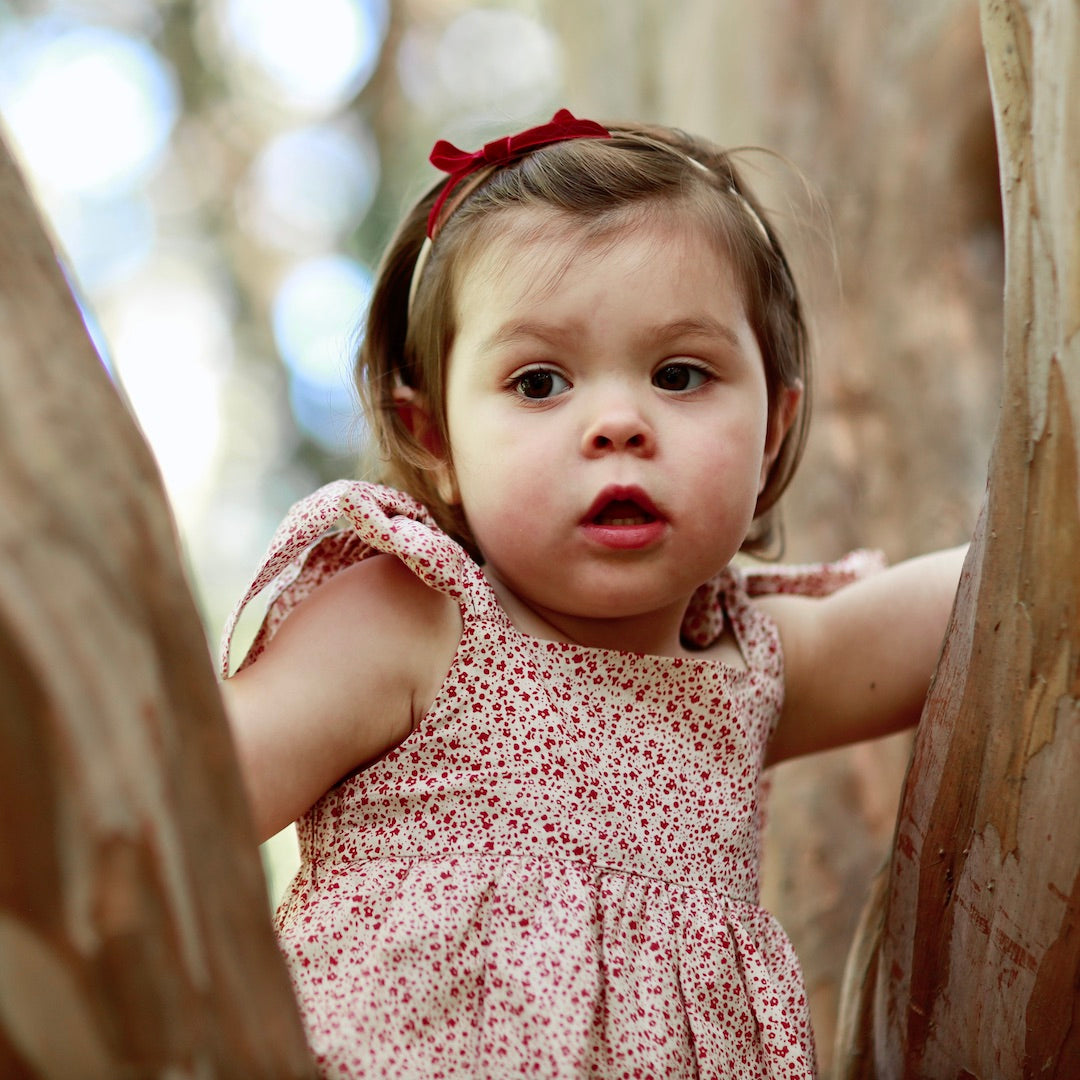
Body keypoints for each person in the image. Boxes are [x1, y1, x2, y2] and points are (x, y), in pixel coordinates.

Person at [220, 109, 966, 1079]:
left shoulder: (745, 666)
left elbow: (982, 597)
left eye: (680, 373)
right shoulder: (413, 621)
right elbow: (177, 807)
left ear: (774, 428)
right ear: (436, 437)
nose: (617, 421)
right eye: (538, 383)